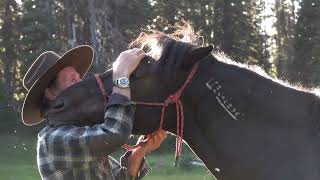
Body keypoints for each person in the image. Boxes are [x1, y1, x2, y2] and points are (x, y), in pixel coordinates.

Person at [21, 45, 167, 180]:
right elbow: (113, 134)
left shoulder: (80, 130)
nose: (82, 85)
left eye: (80, 78)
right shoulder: (52, 140)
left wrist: (138, 154)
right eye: (73, 80)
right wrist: (121, 76)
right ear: (50, 94)